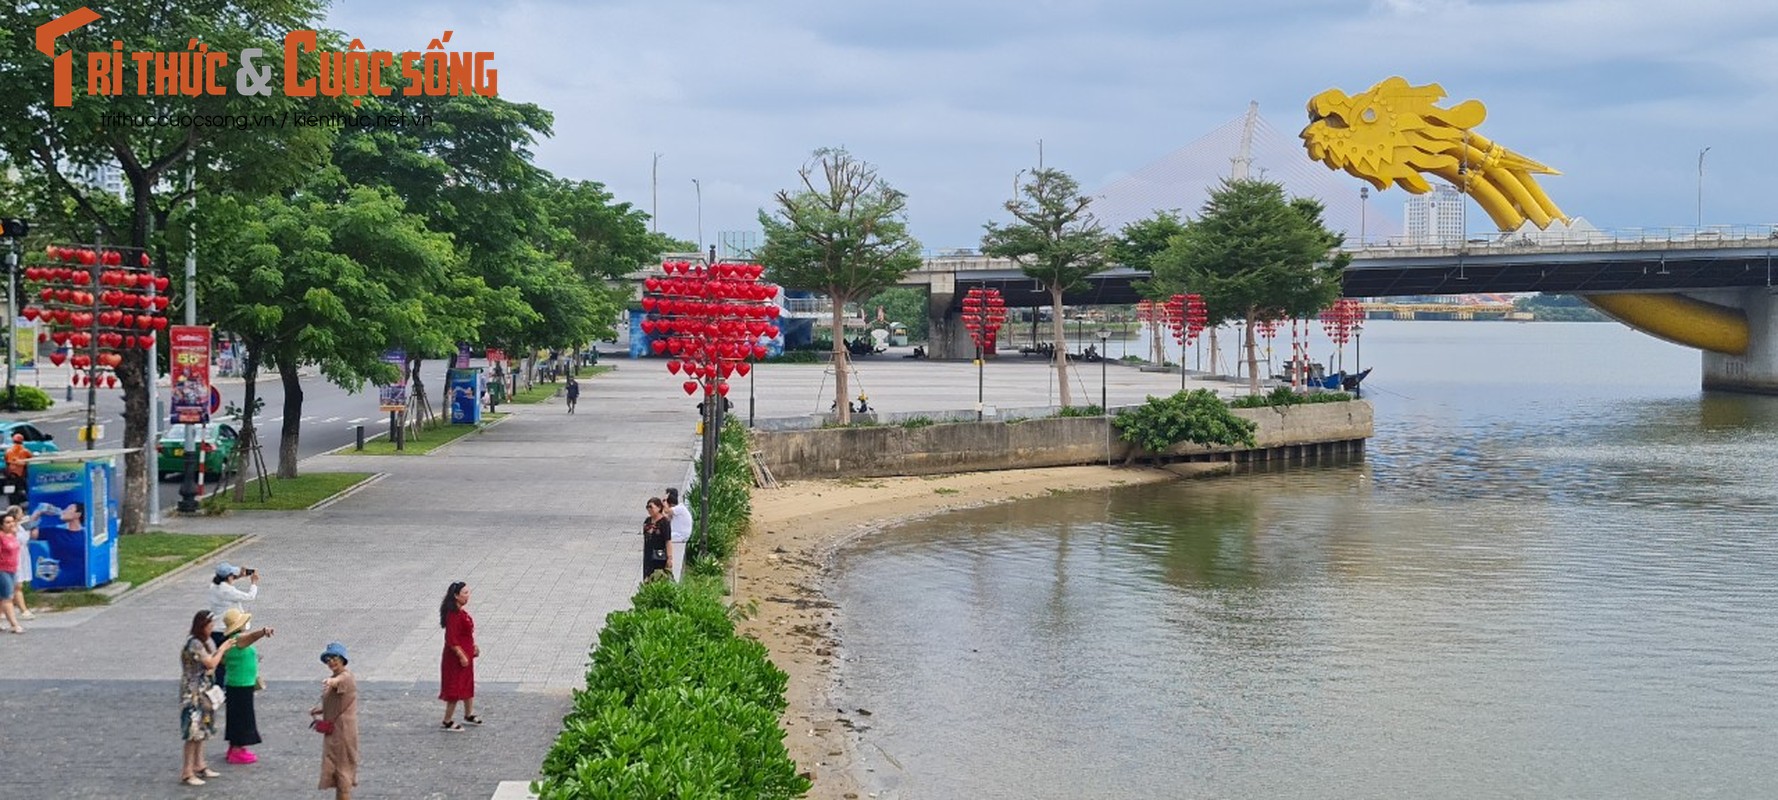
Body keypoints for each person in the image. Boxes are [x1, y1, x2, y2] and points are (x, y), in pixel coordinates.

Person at [182, 610, 234, 786]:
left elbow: (211, 666)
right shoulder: (195, 643)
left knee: (203, 729)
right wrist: (223, 649)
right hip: (193, 694)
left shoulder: (205, 642)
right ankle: (187, 771)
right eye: (210, 625)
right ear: (202, 626)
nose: (212, 628)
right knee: (192, 731)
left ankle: (200, 764)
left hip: (205, 692)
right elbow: (211, 663)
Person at [220, 608, 275, 765]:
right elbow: (251, 637)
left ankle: (234, 746)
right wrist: (263, 631)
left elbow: (225, 661)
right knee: (243, 717)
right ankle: (237, 749)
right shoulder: (238, 639)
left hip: (236, 683)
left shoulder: (229, 642)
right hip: (241, 685)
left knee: (236, 716)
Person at [310, 642, 359, 800]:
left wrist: (331, 682)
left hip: (343, 733)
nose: (331, 661)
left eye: (334, 658)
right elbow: (337, 701)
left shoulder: (345, 677)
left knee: (343, 774)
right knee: (338, 774)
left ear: (342, 659)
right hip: (335, 732)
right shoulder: (336, 677)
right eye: (328, 659)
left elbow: (340, 682)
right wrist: (320, 710)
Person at [209, 562, 259, 685]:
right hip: (226, 628)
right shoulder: (227, 591)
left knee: (220, 659)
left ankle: (219, 685)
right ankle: (223, 686)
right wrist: (254, 583)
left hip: (215, 628)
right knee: (229, 658)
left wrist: (240, 576)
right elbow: (249, 597)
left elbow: (227, 583)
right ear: (229, 577)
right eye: (233, 575)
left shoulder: (214, 586)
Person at [438, 581, 479, 730]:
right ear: (456, 596)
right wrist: (461, 654)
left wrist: (473, 647)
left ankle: (469, 713)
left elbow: (466, 633)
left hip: (467, 655)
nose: (468, 596)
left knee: (468, 684)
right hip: (456, 659)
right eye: (465, 593)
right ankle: (447, 720)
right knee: (454, 687)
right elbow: (451, 639)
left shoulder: (460, 611)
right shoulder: (453, 615)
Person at [5, 507, 34, 621]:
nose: (23, 514)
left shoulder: (20, 526)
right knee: (17, 585)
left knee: (11, 587)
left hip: (22, 556)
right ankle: (23, 610)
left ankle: (4, 611)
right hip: (14, 557)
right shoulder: (12, 529)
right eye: (21, 513)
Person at [0, 515, 23, 634]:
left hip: (12, 568)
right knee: (7, 597)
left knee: (4, 596)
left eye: (12, 521)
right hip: (2, 569)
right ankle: (14, 624)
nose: (11, 524)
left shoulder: (12, 535)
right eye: (7, 522)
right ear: (2, 525)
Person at [663, 487, 692, 581]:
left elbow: (666, 511)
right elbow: (665, 518)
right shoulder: (677, 509)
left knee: (664, 538)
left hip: (681, 536)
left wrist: (664, 501)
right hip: (678, 534)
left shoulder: (680, 509)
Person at [642, 498, 670, 580]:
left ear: (659, 507)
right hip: (648, 553)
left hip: (660, 554)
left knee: (658, 576)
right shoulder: (647, 521)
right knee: (647, 576)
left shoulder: (664, 522)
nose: (649, 509)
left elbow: (668, 541)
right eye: (647, 507)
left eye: (651, 507)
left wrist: (670, 557)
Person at [4, 433, 30, 504]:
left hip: (10, 474)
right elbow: (31, 459)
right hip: (21, 475)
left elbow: (6, 461)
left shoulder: (8, 451)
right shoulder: (25, 451)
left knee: (10, 489)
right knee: (26, 488)